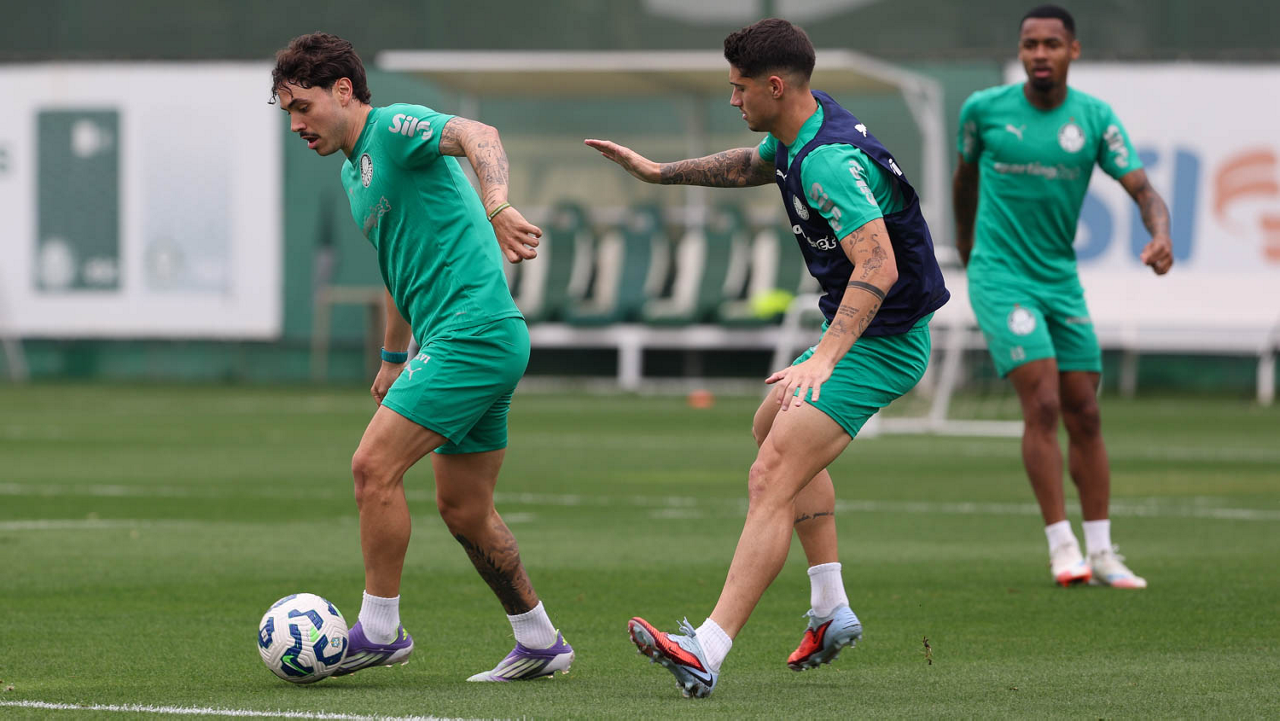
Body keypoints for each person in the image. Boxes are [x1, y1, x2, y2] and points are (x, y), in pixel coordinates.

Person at [586, 18, 949, 698]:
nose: (733, 100)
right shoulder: (802, 133)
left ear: (774, 86)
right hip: (863, 334)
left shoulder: (828, 161)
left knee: (771, 472)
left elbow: (879, 262)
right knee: (769, 431)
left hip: (880, 341)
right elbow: (754, 164)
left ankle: (708, 648)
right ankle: (829, 608)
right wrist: (659, 172)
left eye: (739, 88)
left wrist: (825, 358)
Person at [270, 32, 574, 681]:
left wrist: (496, 204)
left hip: (474, 332)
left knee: (370, 467)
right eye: (287, 113)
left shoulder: (393, 129)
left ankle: (380, 629)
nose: (296, 123)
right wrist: (390, 355)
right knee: (464, 508)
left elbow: (479, 133)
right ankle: (540, 638)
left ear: (343, 90)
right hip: (458, 339)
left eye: (302, 106)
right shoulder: (356, 176)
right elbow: (397, 268)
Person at [953, 5, 1173, 589]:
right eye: (1030, 45)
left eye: (1052, 44)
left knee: (1087, 410)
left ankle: (1101, 551)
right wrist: (967, 247)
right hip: (1000, 275)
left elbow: (1144, 189)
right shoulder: (984, 110)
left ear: (1073, 51)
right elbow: (964, 179)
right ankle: (1062, 546)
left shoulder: (1095, 119)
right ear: (1020, 52)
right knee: (1044, 403)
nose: (1040, 54)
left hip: (1059, 279)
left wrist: (1161, 234)